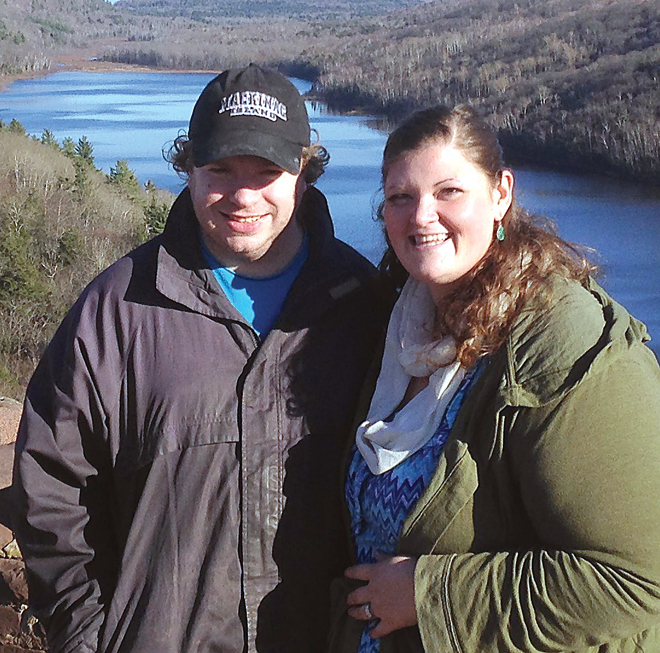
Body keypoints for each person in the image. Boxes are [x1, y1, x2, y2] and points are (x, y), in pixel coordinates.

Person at [12, 64, 386, 653]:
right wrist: (87, 636)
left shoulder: (361, 305)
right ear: (188, 169)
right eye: (219, 170)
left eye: (266, 172)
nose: (243, 196)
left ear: (303, 173)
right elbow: (51, 487)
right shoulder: (119, 309)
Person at [328, 105, 660, 653]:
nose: (422, 217)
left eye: (449, 192)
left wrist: (426, 596)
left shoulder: (566, 344)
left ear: (501, 193)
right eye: (401, 197)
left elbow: (635, 578)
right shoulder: (401, 327)